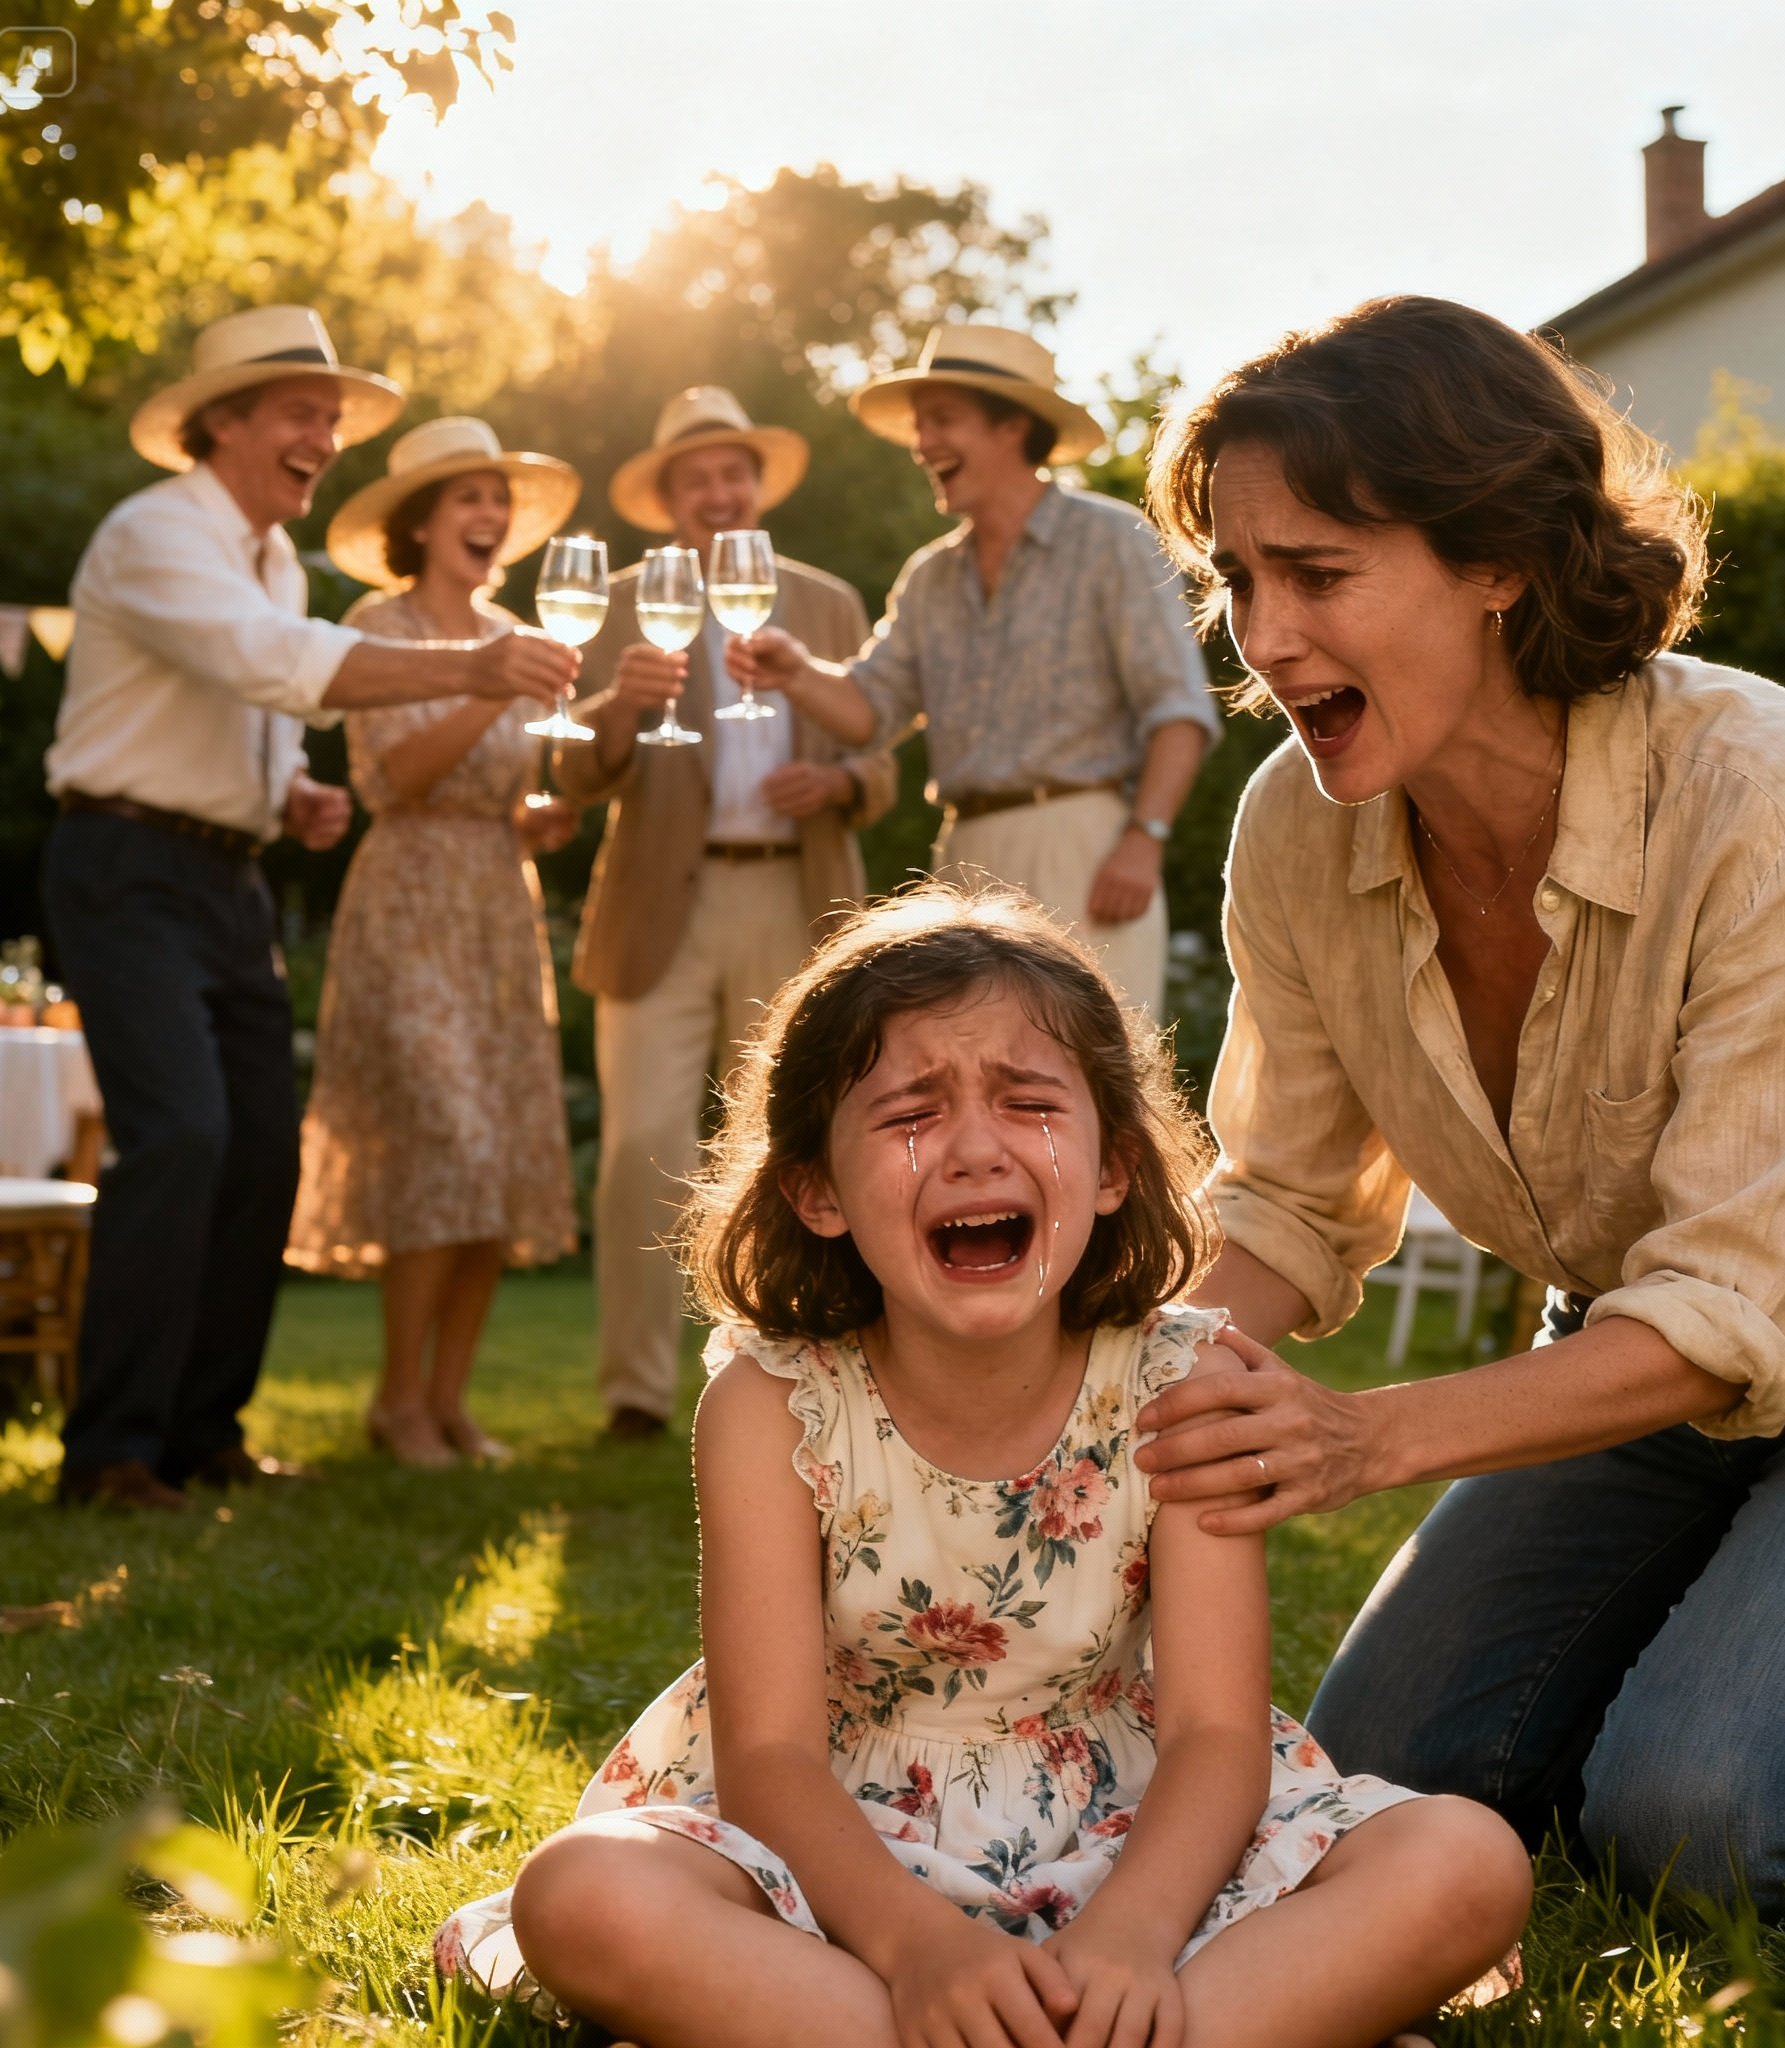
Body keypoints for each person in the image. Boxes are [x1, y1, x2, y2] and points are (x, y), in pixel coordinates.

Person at [1126, 294, 1785, 1911]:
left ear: (1501, 558)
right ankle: (1752, 1611)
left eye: (1315, 574)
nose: (1257, 635)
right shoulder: (1290, 826)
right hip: (1621, 1346)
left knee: (1704, 1828)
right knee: (1372, 1793)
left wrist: (1356, 1435)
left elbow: (1733, 1300)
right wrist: (1127, 1401)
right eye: (1235, 577)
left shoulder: (1761, 784)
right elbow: (1282, 1200)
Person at [433, 888, 1530, 2048]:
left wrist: (1135, 1933)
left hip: (1139, 1835)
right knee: (585, 1892)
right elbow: (766, 1759)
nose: (971, 1147)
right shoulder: (769, 1403)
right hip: (844, 1854)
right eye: (909, 1112)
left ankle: (1094, 2017)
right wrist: (917, 1948)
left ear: (1111, 1165)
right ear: (816, 1191)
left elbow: (1216, 1733)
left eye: (1028, 1101)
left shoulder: (1183, 1377)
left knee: (1462, 1861)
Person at [42, 305, 579, 1512]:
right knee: (179, 1133)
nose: (323, 437)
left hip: (225, 873)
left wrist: (288, 794)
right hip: (121, 865)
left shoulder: (274, 558)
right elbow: (268, 661)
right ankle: (110, 1453)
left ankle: (203, 1432)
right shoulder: (154, 534)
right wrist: (475, 668)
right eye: (301, 413)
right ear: (222, 422)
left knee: (261, 1152)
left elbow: (256, 705)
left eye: (331, 418)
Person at [552, 385, 896, 1441]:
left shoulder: (828, 601)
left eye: (732, 472)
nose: (718, 490)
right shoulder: (617, 602)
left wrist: (837, 788)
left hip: (797, 897)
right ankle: (635, 1392)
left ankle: (810, 1365)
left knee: (805, 1144)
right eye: (695, 477)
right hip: (663, 895)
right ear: (666, 499)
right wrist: (620, 703)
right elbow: (567, 765)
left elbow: (880, 752)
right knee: (642, 1142)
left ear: (756, 486)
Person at [726, 324, 1219, 1012]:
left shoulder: (1110, 541)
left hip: (1084, 844)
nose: (923, 444)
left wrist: (1144, 839)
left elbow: (1178, 712)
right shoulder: (929, 576)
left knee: (1107, 1079)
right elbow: (870, 712)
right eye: (920, 425)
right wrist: (796, 671)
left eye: (944, 421)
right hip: (963, 859)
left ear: (1013, 426)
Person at [286, 416, 585, 1466]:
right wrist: (485, 681)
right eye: (468, 498)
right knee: (444, 1144)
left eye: (497, 499)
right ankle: (396, 1397)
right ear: (420, 522)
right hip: (407, 899)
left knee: (495, 1159)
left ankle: (452, 1400)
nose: (490, 515)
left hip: (497, 903)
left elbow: (504, 786)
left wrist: (537, 821)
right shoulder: (384, 622)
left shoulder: (515, 630)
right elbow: (394, 778)